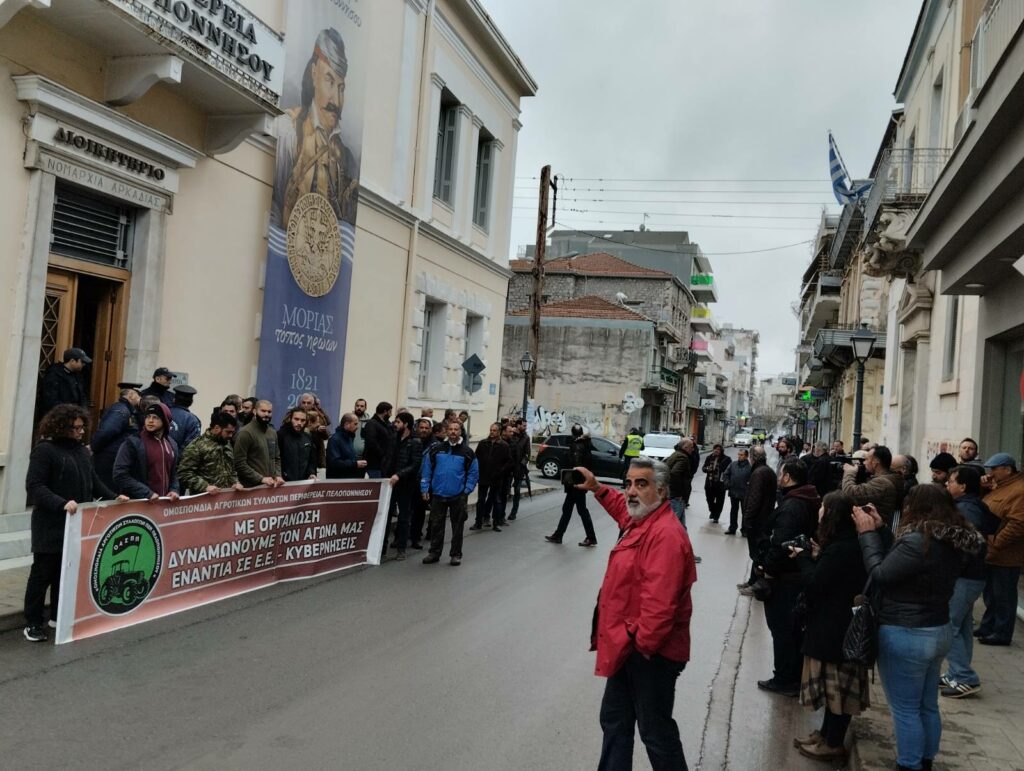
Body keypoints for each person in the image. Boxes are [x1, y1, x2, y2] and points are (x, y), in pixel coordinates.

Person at [576, 458, 696, 770]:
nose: (631, 491)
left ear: (662, 490)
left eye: (640, 484)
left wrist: (639, 646)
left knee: (655, 731)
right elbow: (623, 508)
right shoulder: (643, 519)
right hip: (630, 647)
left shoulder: (665, 535)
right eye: (628, 483)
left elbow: (659, 607)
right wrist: (598, 488)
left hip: (649, 654)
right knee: (615, 720)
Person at [854, 484, 984, 771]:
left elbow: (881, 573)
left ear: (917, 507)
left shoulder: (919, 540)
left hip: (906, 632)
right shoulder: (949, 539)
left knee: (905, 709)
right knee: (926, 705)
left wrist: (866, 535)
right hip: (937, 629)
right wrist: (883, 529)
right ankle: (925, 760)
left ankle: (908, 764)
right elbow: (904, 562)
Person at [23, 405, 125, 642]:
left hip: (75, 524)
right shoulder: (44, 451)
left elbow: (93, 482)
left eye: (82, 428)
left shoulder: (81, 452)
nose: (80, 432)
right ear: (61, 427)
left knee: (65, 572)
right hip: (50, 523)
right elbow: (35, 486)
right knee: (42, 573)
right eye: (75, 428)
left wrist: (114, 498)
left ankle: (58, 615)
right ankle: (32, 622)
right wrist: (60, 503)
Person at [790, 491, 869, 762]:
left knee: (837, 690)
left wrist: (803, 559)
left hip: (835, 629)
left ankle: (833, 743)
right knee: (830, 687)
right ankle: (824, 735)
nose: (820, 510)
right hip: (831, 625)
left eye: (824, 506)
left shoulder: (841, 549)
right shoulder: (842, 544)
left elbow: (815, 584)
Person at [271, 27, 358, 228]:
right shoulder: (288, 131)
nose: (336, 99)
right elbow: (274, 208)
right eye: (329, 80)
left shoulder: (346, 158)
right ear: (313, 73)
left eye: (341, 88)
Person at [756, 460, 821, 696]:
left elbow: (782, 542)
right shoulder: (805, 499)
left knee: (783, 629)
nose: (778, 477)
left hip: (786, 578)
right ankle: (791, 676)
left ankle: (785, 678)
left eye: (781, 473)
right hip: (794, 574)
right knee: (790, 629)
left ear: (788, 477)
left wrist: (766, 567)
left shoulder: (794, 505)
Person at [940, 465, 998, 698]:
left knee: (948, 626)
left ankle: (964, 676)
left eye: (951, 481)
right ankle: (957, 672)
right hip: (970, 576)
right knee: (961, 626)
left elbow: (967, 545)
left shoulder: (967, 509)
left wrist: (951, 569)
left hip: (964, 577)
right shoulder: (971, 505)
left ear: (962, 486)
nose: (947, 484)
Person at [976, 452, 1024, 645]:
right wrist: (982, 488)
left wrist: (995, 543)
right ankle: (988, 626)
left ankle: (1002, 632)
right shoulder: (1001, 487)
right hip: (992, 552)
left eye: (994, 469)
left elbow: (1018, 524)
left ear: (1007, 469)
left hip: (1005, 554)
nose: (991, 473)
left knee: (1003, 595)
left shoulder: (1019, 490)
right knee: (991, 594)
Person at [421, 421, 478, 566]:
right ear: (446, 431)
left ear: (460, 431)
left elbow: (473, 473)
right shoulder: (436, 449)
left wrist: (467, 490)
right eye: (450, 429)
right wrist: (425, 487)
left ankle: (456, 554)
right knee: (436, 526)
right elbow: (427, 469)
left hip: (458, 496)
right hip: (438, 495)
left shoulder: (467, 452)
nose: (453, 432)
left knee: (457, 527)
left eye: (456, 429)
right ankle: (434, 553)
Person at [113, 403, 181, 501]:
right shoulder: (133, 442)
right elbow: (119, 475)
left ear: (165, 421)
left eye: (155, 417)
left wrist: (174, 489)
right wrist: (147, 493)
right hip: (140, 505)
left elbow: (173, 473)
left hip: (164, 505)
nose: (150, 421)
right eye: (148, 417)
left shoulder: (172, 444)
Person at [545, 424, 598, 547]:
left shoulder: (577, 446)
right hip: (578, 483)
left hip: (576, 484)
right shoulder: (584, 445)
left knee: (577, 510)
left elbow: (576, 465)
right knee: (571, 510)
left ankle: (589, 537)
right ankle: (559, 535)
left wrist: (573, 481)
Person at [739, 445, 777, 595]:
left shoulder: (759, 473)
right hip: (764, 518)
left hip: (758, 521)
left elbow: (754, 498)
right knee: (758, 553)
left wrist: (747, 519)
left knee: (758, 553)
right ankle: (752, 582)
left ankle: (757, 586)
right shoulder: (766, 471)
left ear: (752, 458)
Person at [177, 411, 243, 494]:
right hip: (204, 501)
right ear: (216, 428)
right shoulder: (196, 446)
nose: (230, 436)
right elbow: (184, 474)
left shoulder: (227, 445)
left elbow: (232, 470)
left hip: (225, 500)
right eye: (228, 432)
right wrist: (205, 486)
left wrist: (235, 482)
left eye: (232, 432)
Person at [90, 386, 141, 491]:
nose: (140, 398)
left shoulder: (127, 410)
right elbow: (106, 432)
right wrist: (93, 447)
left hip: (113, 458)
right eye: (138, 395)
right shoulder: (121, 410)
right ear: (130, 395)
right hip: (109, 459)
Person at [388, 412, 423, 560]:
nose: (395, 424)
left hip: (406, 484)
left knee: (403, 517)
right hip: (390, 483)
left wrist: (399, 475)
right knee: (387, 515)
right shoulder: (394, 438)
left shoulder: (415, 442)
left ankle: (401, 549)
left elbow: (415, 464)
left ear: (406, 424)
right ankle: (382, 548)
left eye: (397, 422)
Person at [840, 445, 903, 523]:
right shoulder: (888, 478)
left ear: (875, 462)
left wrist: (849, 473)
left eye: (866, 459)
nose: (864, 462)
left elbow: (850, 493)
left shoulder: (882, 483)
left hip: (875, 530)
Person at [472, 423, 513, 532]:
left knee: (496, 500)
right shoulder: (483, 443)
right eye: (491, 430)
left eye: (494, 430)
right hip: (484, 475)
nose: (492, 432)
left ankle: (496, 523)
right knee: (481, 500)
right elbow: (476, 458)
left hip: (496, 477)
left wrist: (501, 470)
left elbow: (509, 461)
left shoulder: (504, 445)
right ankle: (478, 522)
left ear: (499, 432)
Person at [234, 400, 284, 488]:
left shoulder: (272, 432)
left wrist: (278, 475)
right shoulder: (245, 432)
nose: (266, 414)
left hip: (271, 486)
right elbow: (239, 463)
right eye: (263, 411)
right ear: (254, 411)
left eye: (269, 412)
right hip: (251, 487)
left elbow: (276, 458)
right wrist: (261, 478)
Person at [38, 347, 90, 414]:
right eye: (82, 362)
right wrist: (69, 411)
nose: (84, 364)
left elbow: (83, 396)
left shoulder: (78, 376)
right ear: (72, 361)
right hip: (59, 417)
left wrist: (83, 411)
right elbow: (50, 401)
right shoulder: (54, 375)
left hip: (75, 416)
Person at [409, 418, 436, 548]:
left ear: (430, 429)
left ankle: (416, 537)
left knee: (419, 511)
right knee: (406, 510)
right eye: (422, 427)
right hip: (408, 479)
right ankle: (400, 537)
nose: (424, 430)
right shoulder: (410, 440)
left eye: (426, 428)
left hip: (424, 482)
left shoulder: (435, 445)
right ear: (417, 428)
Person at [277, 408, 317, 482]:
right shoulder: (281, 435)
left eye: (302, 420)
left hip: (304, 483)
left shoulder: (307, 437)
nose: (299, 423)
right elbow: (275, 459)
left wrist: (311, 473)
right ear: (290, 419)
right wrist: (278, 475)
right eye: (296, 419)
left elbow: (312, 460)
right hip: (284, 482)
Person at [326, 413, 367, 479]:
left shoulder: (349, 438)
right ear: (347, 424)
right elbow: (335, 463)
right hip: (337, 481)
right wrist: (355, 464)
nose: (357, 427)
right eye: (355, 424)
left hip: (348, 478)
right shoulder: (334, 440)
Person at [361, 401, 395, 479]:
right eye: (390, 412)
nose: (391, 415)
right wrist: (383, 454)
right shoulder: (372, 423)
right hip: (373, 464)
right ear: (385, 412)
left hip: (382, 465)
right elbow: (371, 442)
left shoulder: (387, 424)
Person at [664, 439, 693, 528]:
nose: (693, 449)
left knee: (681, 526)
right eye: (691, 447)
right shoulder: (683, 457)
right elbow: (674, 473)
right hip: (677, 497)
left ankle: (684, 542)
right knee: (672, 525)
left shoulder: (676, 454)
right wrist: (678, 493)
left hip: (674, 496)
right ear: (685, 447)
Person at [297, 392, 331, 469]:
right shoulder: (294, 414)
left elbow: (326, 435)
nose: (305, 405)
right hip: (298, 450)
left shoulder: (317, 415)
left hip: (315, 451)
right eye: (303, 402)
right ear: (300, 403)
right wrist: (313, 429)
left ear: (313, 404)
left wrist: (320, 430)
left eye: (308, 403)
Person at [722, 448, 751, 535]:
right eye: (739, 454)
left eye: (741, 455)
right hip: (733, 491)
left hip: (744, 493)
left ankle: (744, 530)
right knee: (733, 510)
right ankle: (732, 528)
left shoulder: (750, 467)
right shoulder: (733, 464)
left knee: (744, 512)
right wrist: (727, 483)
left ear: (746, 456)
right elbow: (726, 474)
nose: (739, 456)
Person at [508, 420, 532, 521]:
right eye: (523, 425)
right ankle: (500, 514)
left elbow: (527, 454)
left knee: (517, 490)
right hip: (508, 467)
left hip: (519, 468)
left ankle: (513, 512)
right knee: (505, 489)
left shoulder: (526, 438)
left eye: (526, 425)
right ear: (518, 425)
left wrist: (521, 464)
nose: (525, 427)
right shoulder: (511, 435)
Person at [702, 444, 731, 523]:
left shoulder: (727, 459)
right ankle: (712, 511)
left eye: (718, 449)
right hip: (710, 483)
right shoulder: (709, 457)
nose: (716, 450)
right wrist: (707, 469)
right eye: (715, 449)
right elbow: (703, 468)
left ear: (721, 451)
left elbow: (729, 471)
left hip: (720, 484)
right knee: (709, 499)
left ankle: (716, 516)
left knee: (719, 501)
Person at [168, 385, 202, 451]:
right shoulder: (193, 420)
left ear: (174, 399)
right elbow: (191, 446)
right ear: (191, 402)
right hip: (180, 459)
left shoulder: (163, 413)